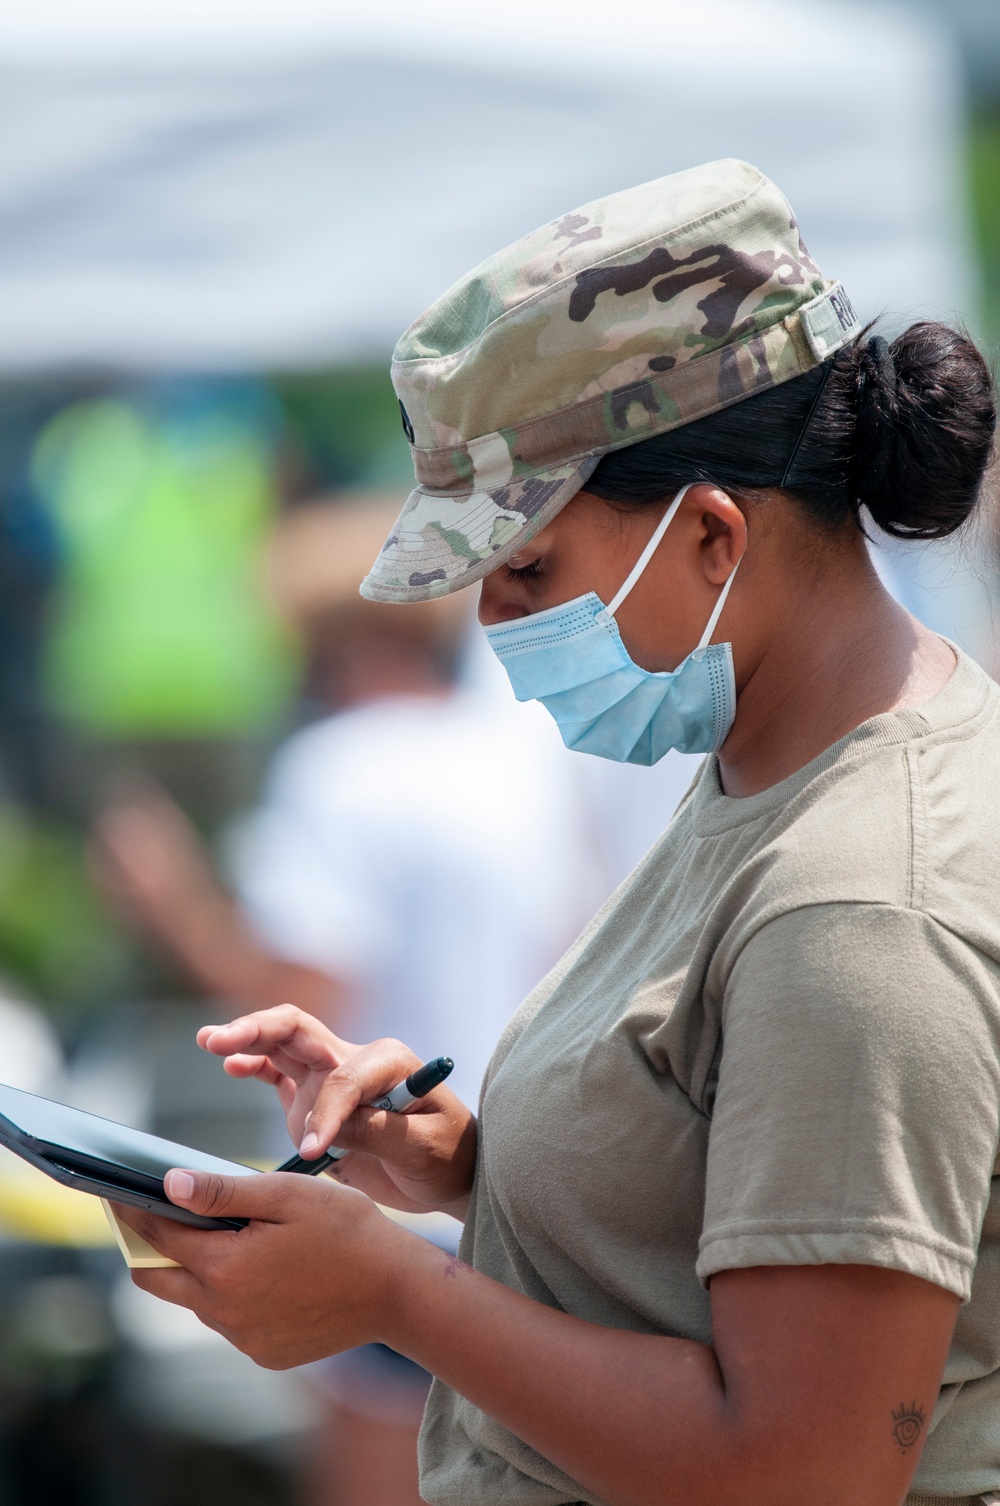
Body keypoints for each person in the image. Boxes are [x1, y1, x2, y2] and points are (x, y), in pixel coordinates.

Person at [112, 160, 1000, 1506]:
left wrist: (397, 1294)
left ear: (712, 536)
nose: (494, 623)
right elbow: (723, 1211)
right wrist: (470, 1168)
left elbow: (802, 1470)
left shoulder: (861, 902)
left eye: (528, 568)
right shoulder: (774, 763)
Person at [94, 497, 612, 1506]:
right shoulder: (523, 765)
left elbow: (287, 1008)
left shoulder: (334, 770)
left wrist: (171, 907)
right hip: (515, 1206)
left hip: (381, 1218)